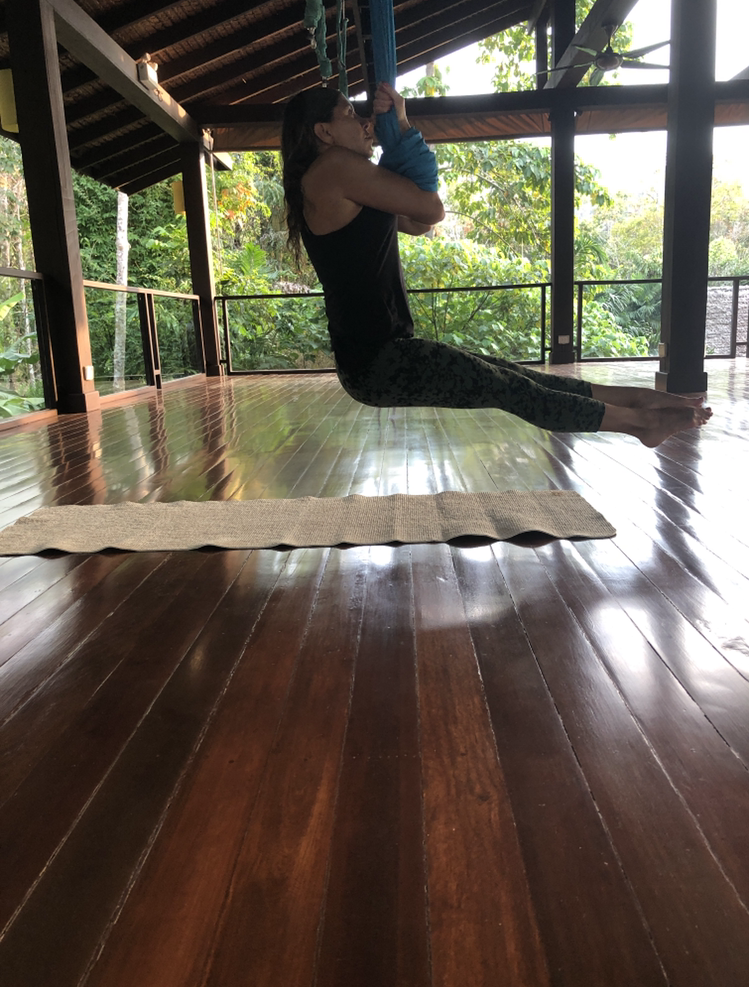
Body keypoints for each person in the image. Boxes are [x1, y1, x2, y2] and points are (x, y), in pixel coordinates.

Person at [280, 83, 711, 447]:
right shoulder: (333, 167)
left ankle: (637, 401)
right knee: (510, 388)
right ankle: (639, 423)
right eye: (350, 114)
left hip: (383, 355)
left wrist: (402, 129)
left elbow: (417, 222)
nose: (365, 123)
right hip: (377, 360)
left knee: (510, 377)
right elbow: (431, 209)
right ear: (323, 131)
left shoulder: (338, 179)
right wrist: (402, 134)